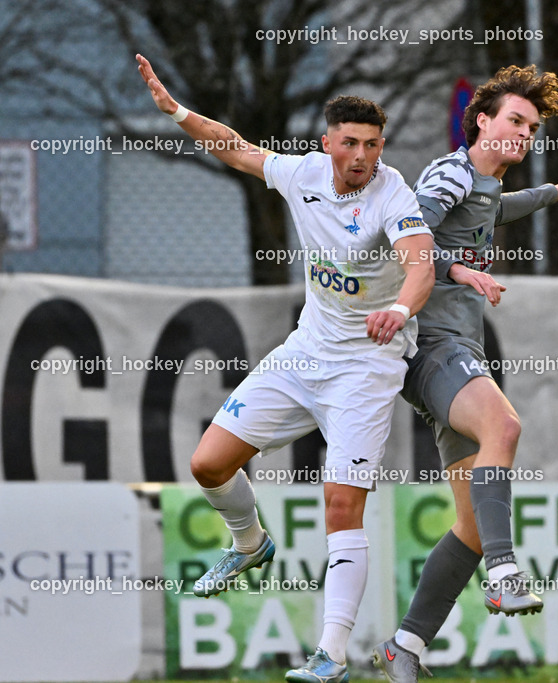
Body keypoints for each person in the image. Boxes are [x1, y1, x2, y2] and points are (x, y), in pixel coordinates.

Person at [136, 54, 435, 683]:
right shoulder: (302, 173)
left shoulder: (393, 194)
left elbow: (420, 265)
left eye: (372, 145)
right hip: (304, 353)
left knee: (340, 503)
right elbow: (238, 149)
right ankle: (250, 544)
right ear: (326, 143)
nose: (361, 156)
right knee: (208, 463)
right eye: (349, 143)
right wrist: (177, 113)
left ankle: (332, 653)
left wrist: (401, 309)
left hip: (366, 368)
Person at [372, 65, 558, 682]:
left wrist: (556, 191)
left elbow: (494, 210)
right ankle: (504, 574)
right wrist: (460, 271)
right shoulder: (450, 173)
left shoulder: (482, 186)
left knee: (470, 525)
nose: (522, 136)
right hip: (431, 343)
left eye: (530, 128)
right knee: (504, 424)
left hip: (453, 349)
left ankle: (406, 648)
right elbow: (404, 237)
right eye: (513, 122)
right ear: (482, 121)